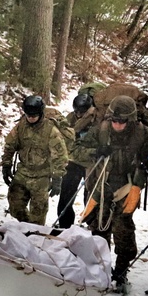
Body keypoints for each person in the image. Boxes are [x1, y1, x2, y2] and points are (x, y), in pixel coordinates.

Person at [72, 96, 148, 294]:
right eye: (114, 120)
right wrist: (96, 152)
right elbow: (76, 151)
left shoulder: (142, 133)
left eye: (122, 121)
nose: (117, 125)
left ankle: (121, 271)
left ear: (130, 120)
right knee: (98, 229)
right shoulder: (101, 130)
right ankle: (98, 269)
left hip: (127, 187)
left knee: (123, 230)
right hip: (101, 185)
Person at [0, 95, 68, 227]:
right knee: (15, 206)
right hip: (23, 172)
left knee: (38, 214)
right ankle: (26, 227)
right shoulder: (21, 126)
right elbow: (10, 145)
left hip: (41, 176)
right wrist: (6, 165)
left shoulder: (50, 130)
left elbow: (60, 155)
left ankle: (34, 234)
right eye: (28, 115)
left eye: (34, 115)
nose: (31, 118)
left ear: (40, 113)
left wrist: (57, 178)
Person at [55, 92, 96, 229]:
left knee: (90, 198)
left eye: (82, 112)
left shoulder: (97, 119)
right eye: (76, 111)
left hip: (92, 163)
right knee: (66, 196)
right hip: (74, 162)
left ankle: (92, 226)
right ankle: (64, 226)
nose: (79, 114)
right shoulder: (71, 118)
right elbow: (63, 137)